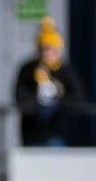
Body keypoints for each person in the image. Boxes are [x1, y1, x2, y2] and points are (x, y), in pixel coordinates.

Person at [15, 18, 84, 147]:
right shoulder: (27, 70)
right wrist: (38, 106)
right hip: (31, 133)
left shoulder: (65, 71)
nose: (45, 53)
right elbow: (21, 98)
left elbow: (78, 99)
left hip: (57, 133)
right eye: (42, 49)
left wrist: (59, 96)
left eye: (49, 49)